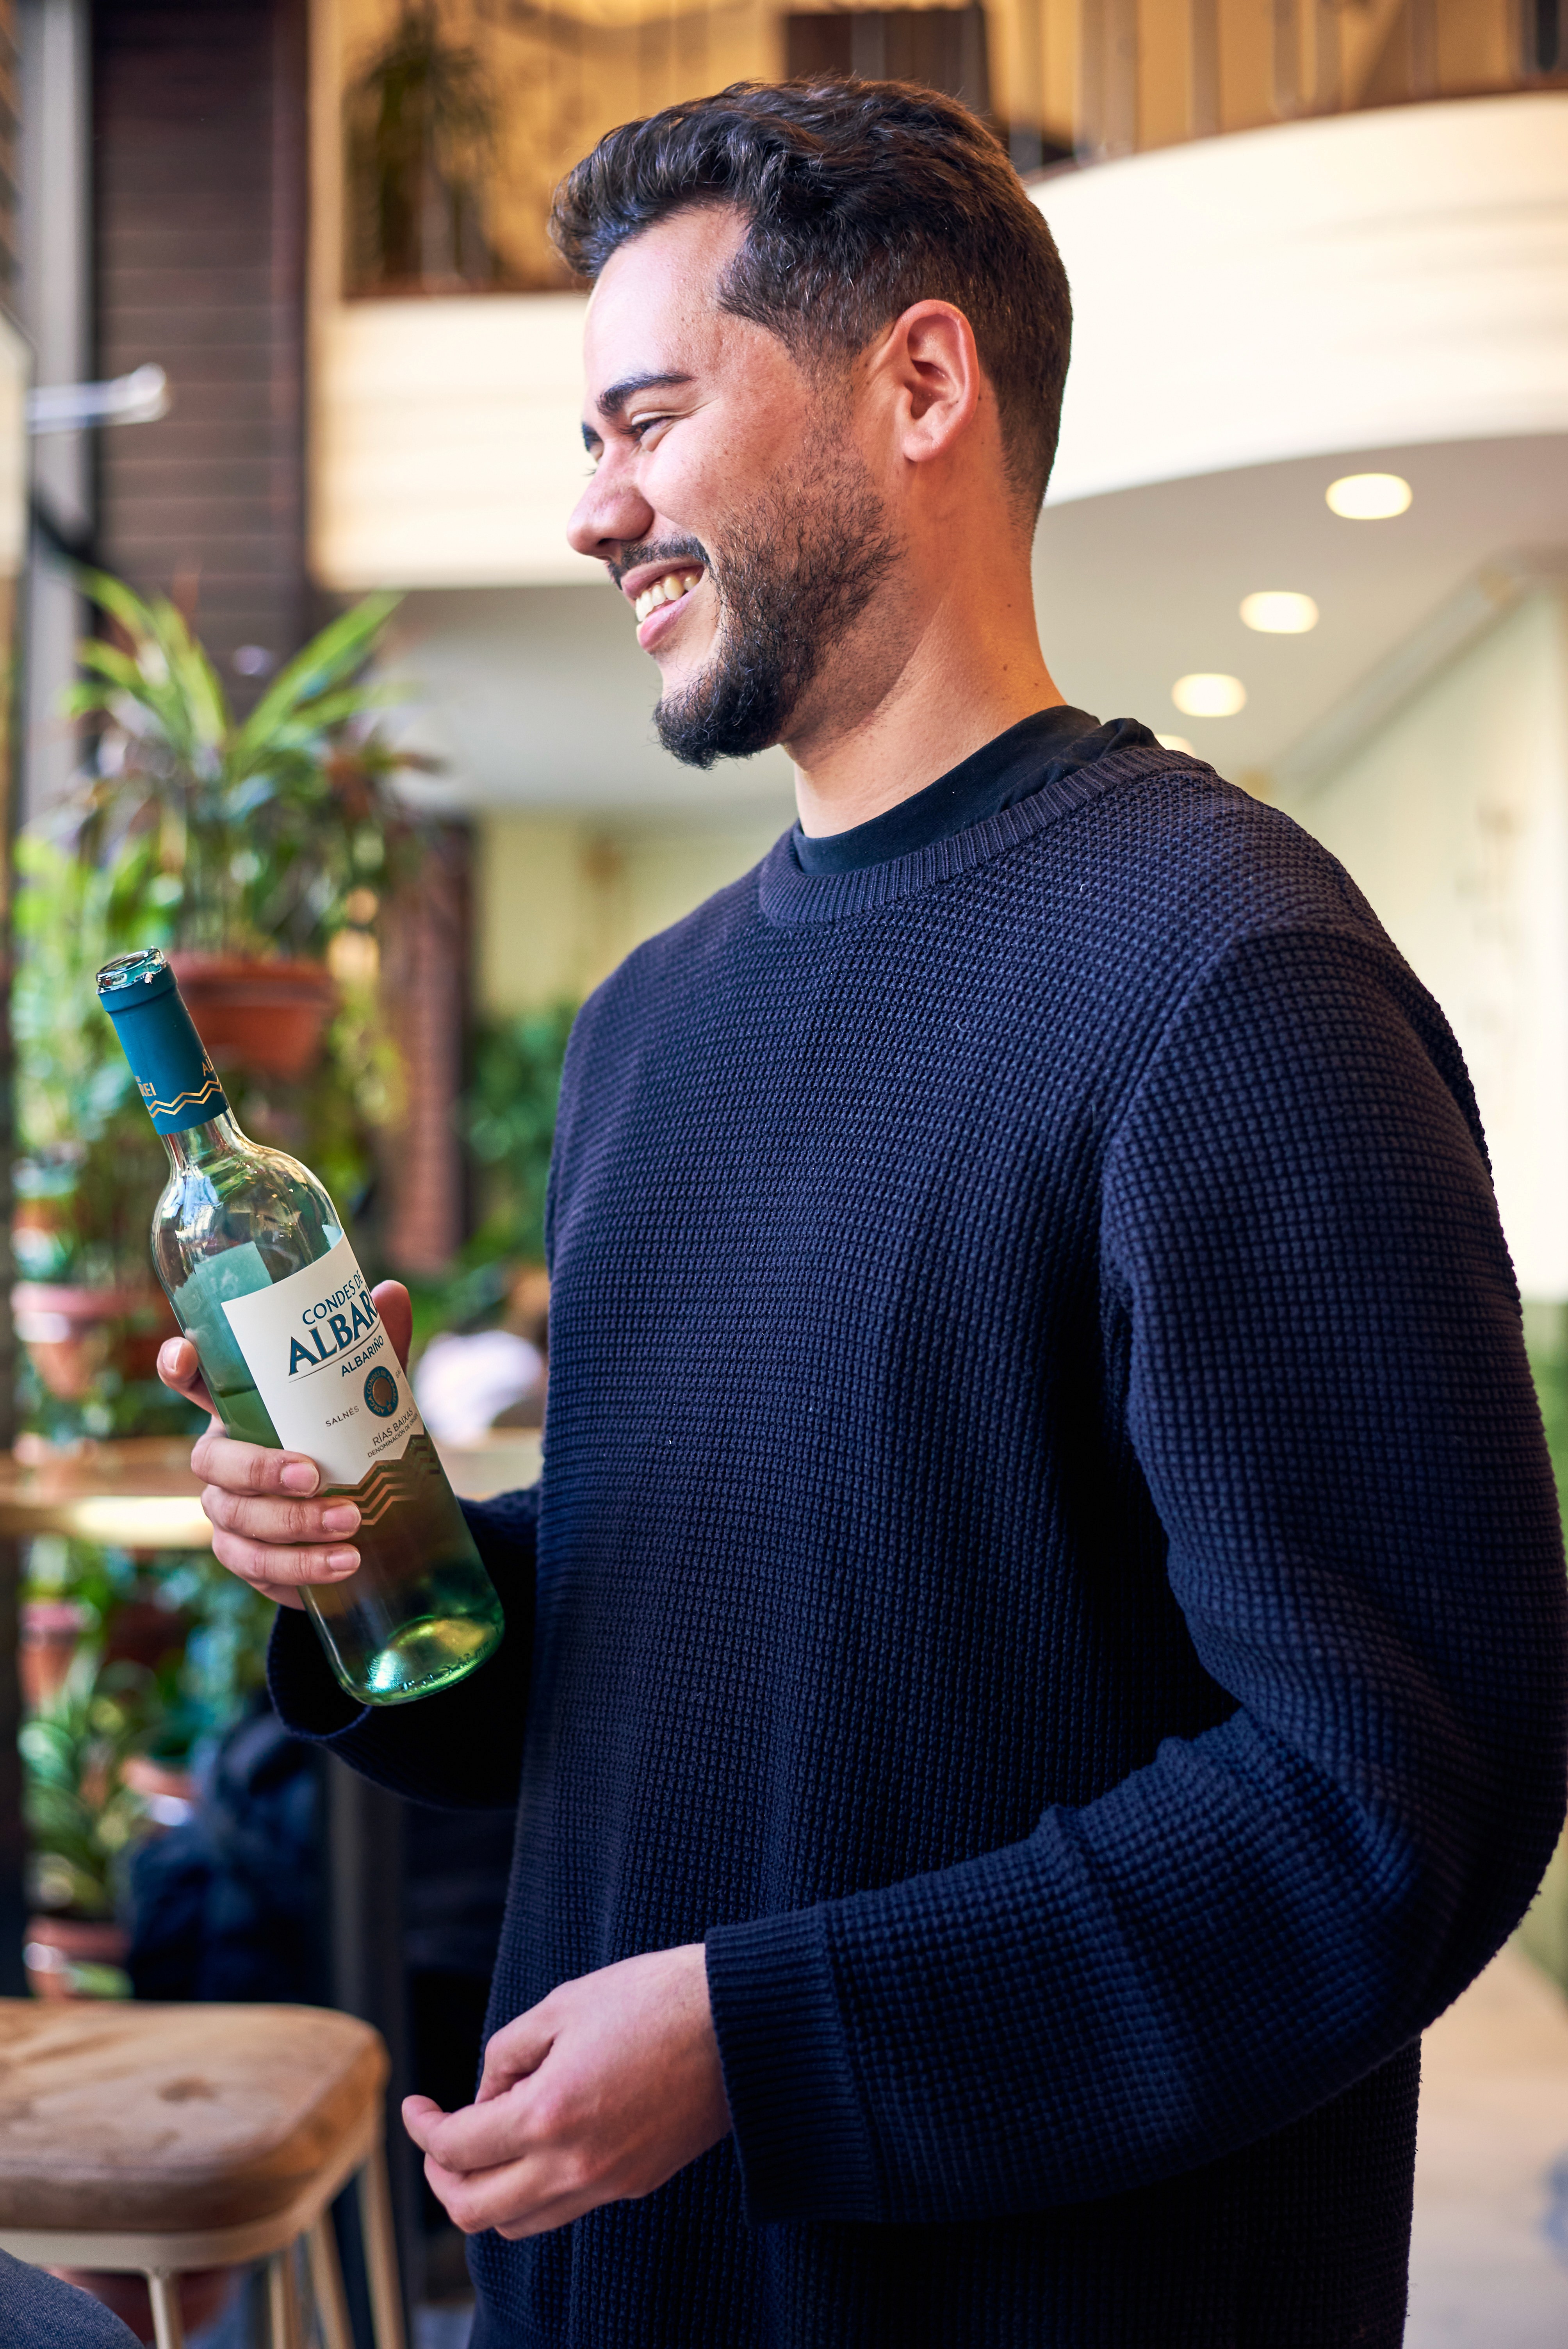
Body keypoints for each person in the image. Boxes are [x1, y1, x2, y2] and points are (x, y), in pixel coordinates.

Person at [160, 77, 1568, 2348]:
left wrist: (767, 2038)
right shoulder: (649, 1022)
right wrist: (378, 1561)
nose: (595, 508)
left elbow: (1393, 1795)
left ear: (922, 379)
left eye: (646, 415)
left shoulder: (1225, 978)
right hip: (625, 2287)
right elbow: (713, 1635)